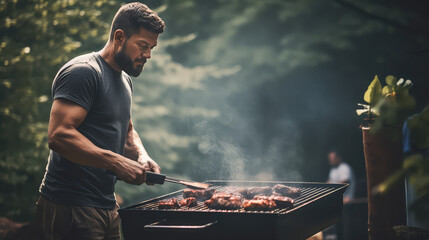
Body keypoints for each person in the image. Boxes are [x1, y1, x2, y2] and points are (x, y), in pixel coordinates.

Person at [35, 3, 165, 239]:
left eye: (151, 48)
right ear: (119, 37)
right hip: (70, 206)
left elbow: (126, 131)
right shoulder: (83, 72)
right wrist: (117, 163)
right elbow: (59, 136)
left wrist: (141, 156)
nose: (147, 55)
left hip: (106, 206)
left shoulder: (125, 80)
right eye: (143, 46)